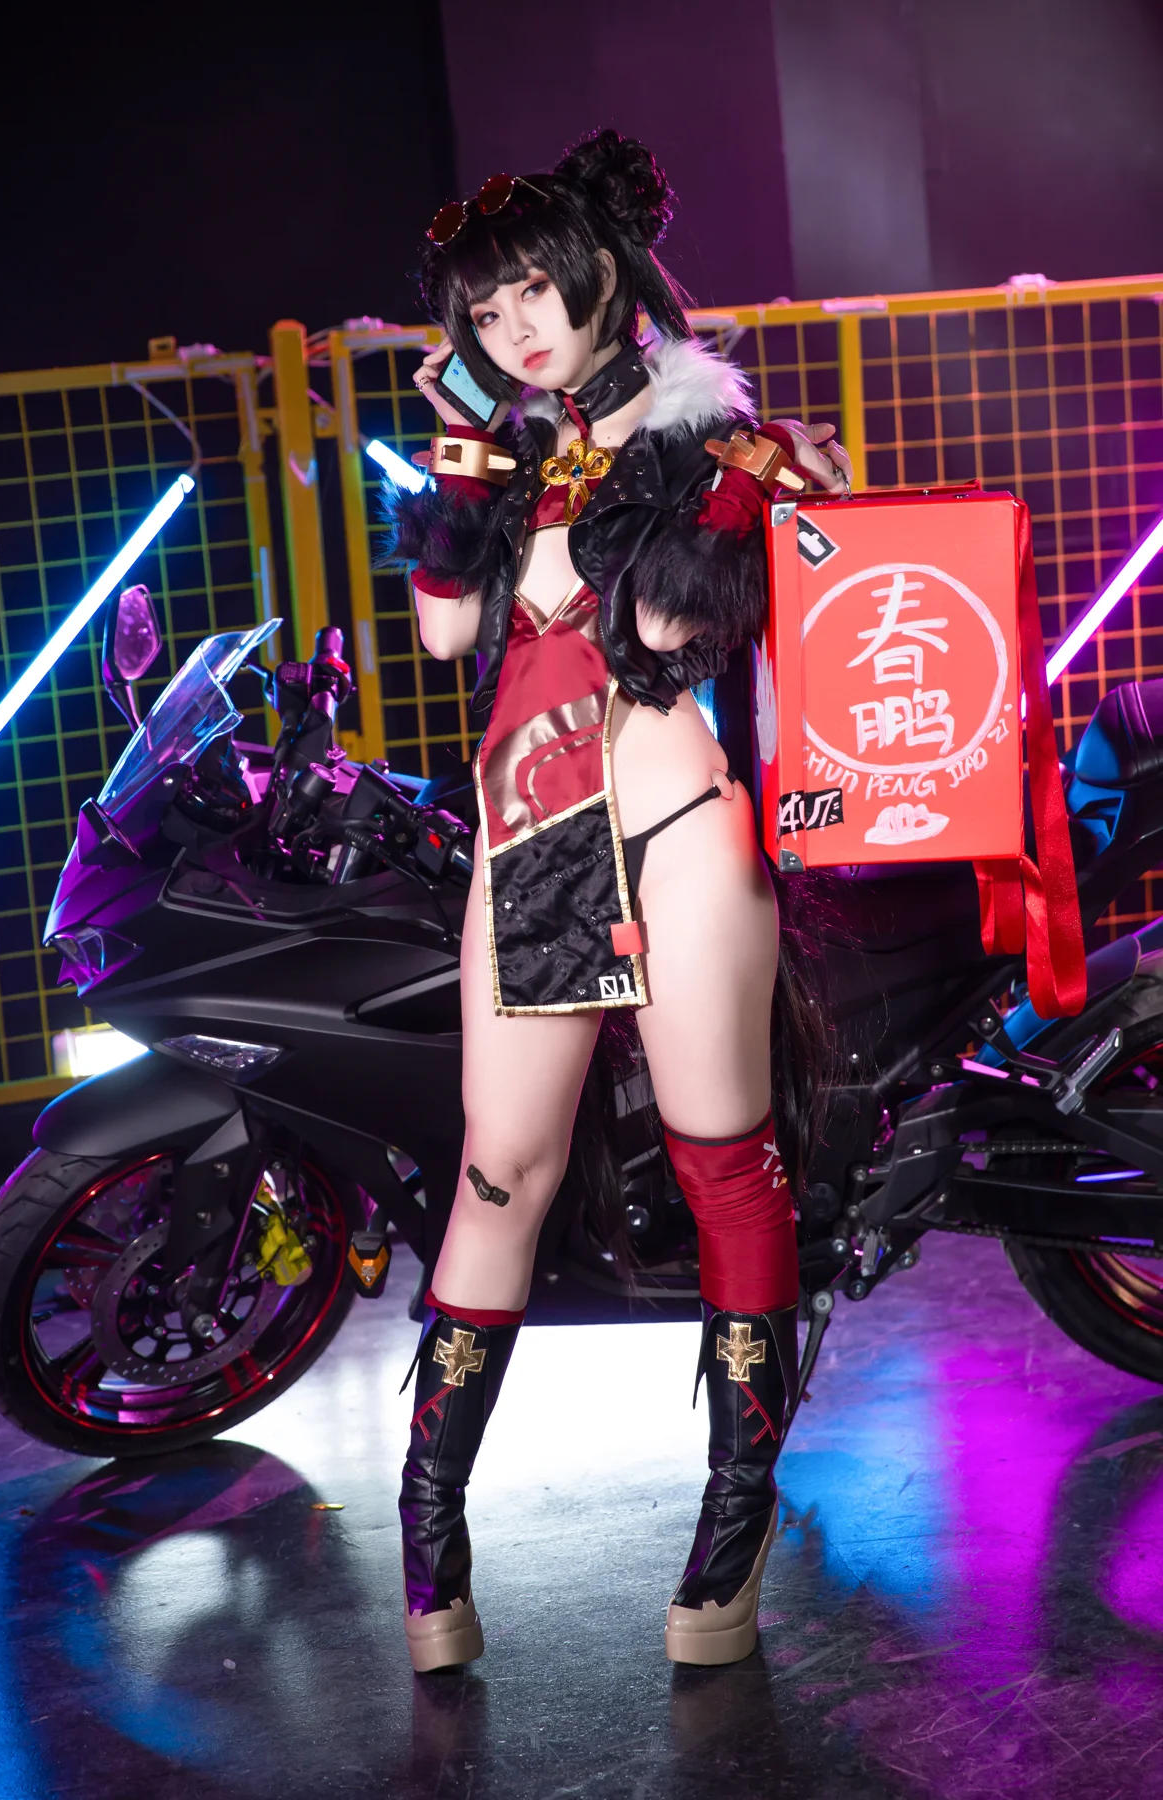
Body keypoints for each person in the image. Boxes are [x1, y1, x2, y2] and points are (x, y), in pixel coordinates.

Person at [385, 128, 850, 1673]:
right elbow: (445, 632)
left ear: (599, 272)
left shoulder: (708, 432)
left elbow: (658, 623)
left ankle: (736, 1516)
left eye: (535, 289)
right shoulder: (509, 441)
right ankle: (429, 1529)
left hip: (676, 834)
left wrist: (701, 468)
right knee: (499, 1177)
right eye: (486, 308)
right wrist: (470, 449)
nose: (514, 325)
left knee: (728, 1167)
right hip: (530, 848)